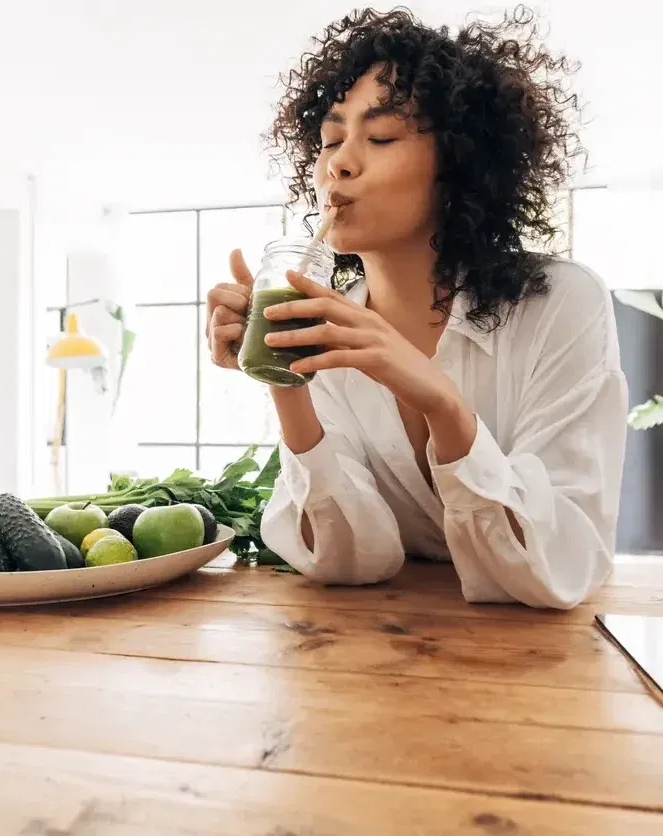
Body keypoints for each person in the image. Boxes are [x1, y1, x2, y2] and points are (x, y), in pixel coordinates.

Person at [205, 6, 627, 609]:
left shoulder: (560, 303)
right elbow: (348, 562)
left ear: (457, 162)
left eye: (380, 137)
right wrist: (285, 375)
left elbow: (563, 566)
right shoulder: (324, 321)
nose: (339, 163)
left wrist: (443, 404)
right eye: (330, 139)